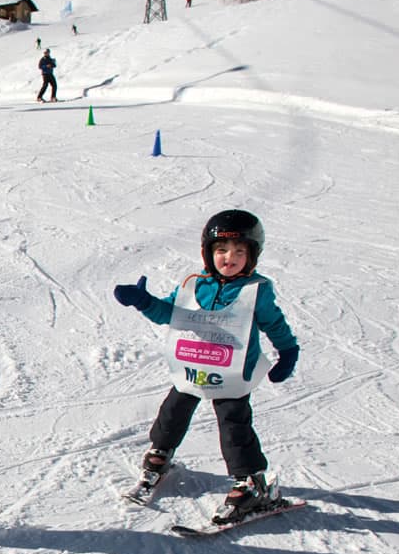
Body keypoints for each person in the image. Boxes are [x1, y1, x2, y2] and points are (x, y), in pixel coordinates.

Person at [112, 210, 300, 524]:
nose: (230, 258)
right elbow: (170, 314)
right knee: (173, 410)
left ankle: (251, 482)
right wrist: (144, 301)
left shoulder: (256, 290)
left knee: (233, 424)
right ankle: (160, 453)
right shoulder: (196, 284)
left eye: (240, 252)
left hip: (232, 372)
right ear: (208, 252)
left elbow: (274, 324)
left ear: (252, 256)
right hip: (194, 365)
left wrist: (288, 351)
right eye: (222, 250)